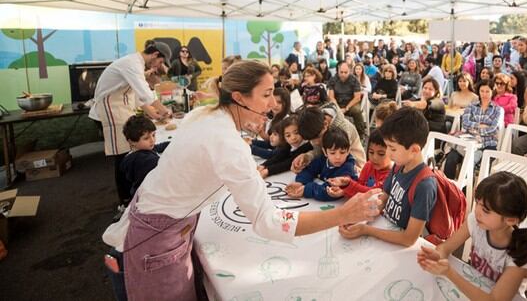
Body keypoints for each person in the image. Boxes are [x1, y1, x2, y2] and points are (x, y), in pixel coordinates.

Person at [102, 60, 381, 301]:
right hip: (153, 240)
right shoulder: (226, 142)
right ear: (239, 97)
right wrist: (343, 214)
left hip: (153, 226)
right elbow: (269, 222)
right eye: (267, 95)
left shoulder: (206, 115)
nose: (273, 104)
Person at [418, 172, 527, 300]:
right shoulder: (477, 222)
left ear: (510, 220)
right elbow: (446, 248)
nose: (477, 212)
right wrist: (437, 256)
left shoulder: (520, 254)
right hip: (475, 287)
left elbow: (493, 299)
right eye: (477, 203)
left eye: (486, 211)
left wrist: (449, 273)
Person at [90, 40, 173, 212]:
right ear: (156, 54)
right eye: (161, 62)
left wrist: (151, 113)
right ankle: (125, 201)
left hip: (123, 107)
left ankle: (134, 192)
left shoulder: (136, 64)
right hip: (111, 109)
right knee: (122, 154)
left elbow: (136, 94)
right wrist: (164, 111)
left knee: (132, 151)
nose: (159, 66)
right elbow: (145, 92)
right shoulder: (131, 63)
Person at [339, 107, 437, 247]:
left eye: (392, 148)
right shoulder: (398, 166)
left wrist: (366, 229)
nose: (389, 154)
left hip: (399, 246)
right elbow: (383, 200)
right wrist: (360, 217)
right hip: (384, 230)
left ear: (414, 149)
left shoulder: (424, 185)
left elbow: (409, 239)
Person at [444, 82, 504, 178]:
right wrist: (481, 126)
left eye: (487, 91)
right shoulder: (472, 106)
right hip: (467, 141)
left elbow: (493, 129)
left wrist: (475, 129)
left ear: (492, 92)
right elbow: (465, 123)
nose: (484, 94)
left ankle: (466, 191)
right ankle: (447, 187)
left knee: (470, 163)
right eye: (482, 91)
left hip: (487, 144)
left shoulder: (498, 110)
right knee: (451, 158)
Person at [286, 127, 357, 201]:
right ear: (325, 152)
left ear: (348, 151)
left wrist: (306, 189)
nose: (338, 157)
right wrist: (300, 182)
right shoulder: (323, 159)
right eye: (332, 153)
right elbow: (309, 170)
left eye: (342, 152)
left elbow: (329, 192)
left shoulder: (348, 168)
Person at [292, 105, 366, 174]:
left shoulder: (342, 129)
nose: (315, 142)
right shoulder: (316, 124)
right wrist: (307, 157)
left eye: (317, 137)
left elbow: (342, 159)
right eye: (311, 140)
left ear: (325, 124)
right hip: (331, 162)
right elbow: (320, 150)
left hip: (355, 165)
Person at [327, 129, 392, 199]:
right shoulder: (368, 165)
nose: (374, 157)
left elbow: (372, 193)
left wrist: (348, 185)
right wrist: (343, 191)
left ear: (393, 152)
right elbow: (359, 186)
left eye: (381, 154)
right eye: (371, 152)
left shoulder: (391, 175)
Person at [120, 115, 169, 198]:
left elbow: (157, 147)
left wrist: (174, 143)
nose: (152, 140)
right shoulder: (146, 160)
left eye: (153, 135)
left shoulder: (141, 149)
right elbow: (166, 168)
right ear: (132, 142)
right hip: (148, 195)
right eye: (146, 138)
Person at [327, 62, 366, 139]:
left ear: (350, 71)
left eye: (345, 72)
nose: (343, 74)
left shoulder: (354, 80)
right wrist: (338, 108)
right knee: (327, 111)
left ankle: (360, 134)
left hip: (351, 103)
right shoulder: (333, 80)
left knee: (357, 111)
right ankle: (330, 134)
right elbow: (331, 97)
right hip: (337, 103)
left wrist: (346, 108)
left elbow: (357, 97)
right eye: (341, 72)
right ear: (338, 71)